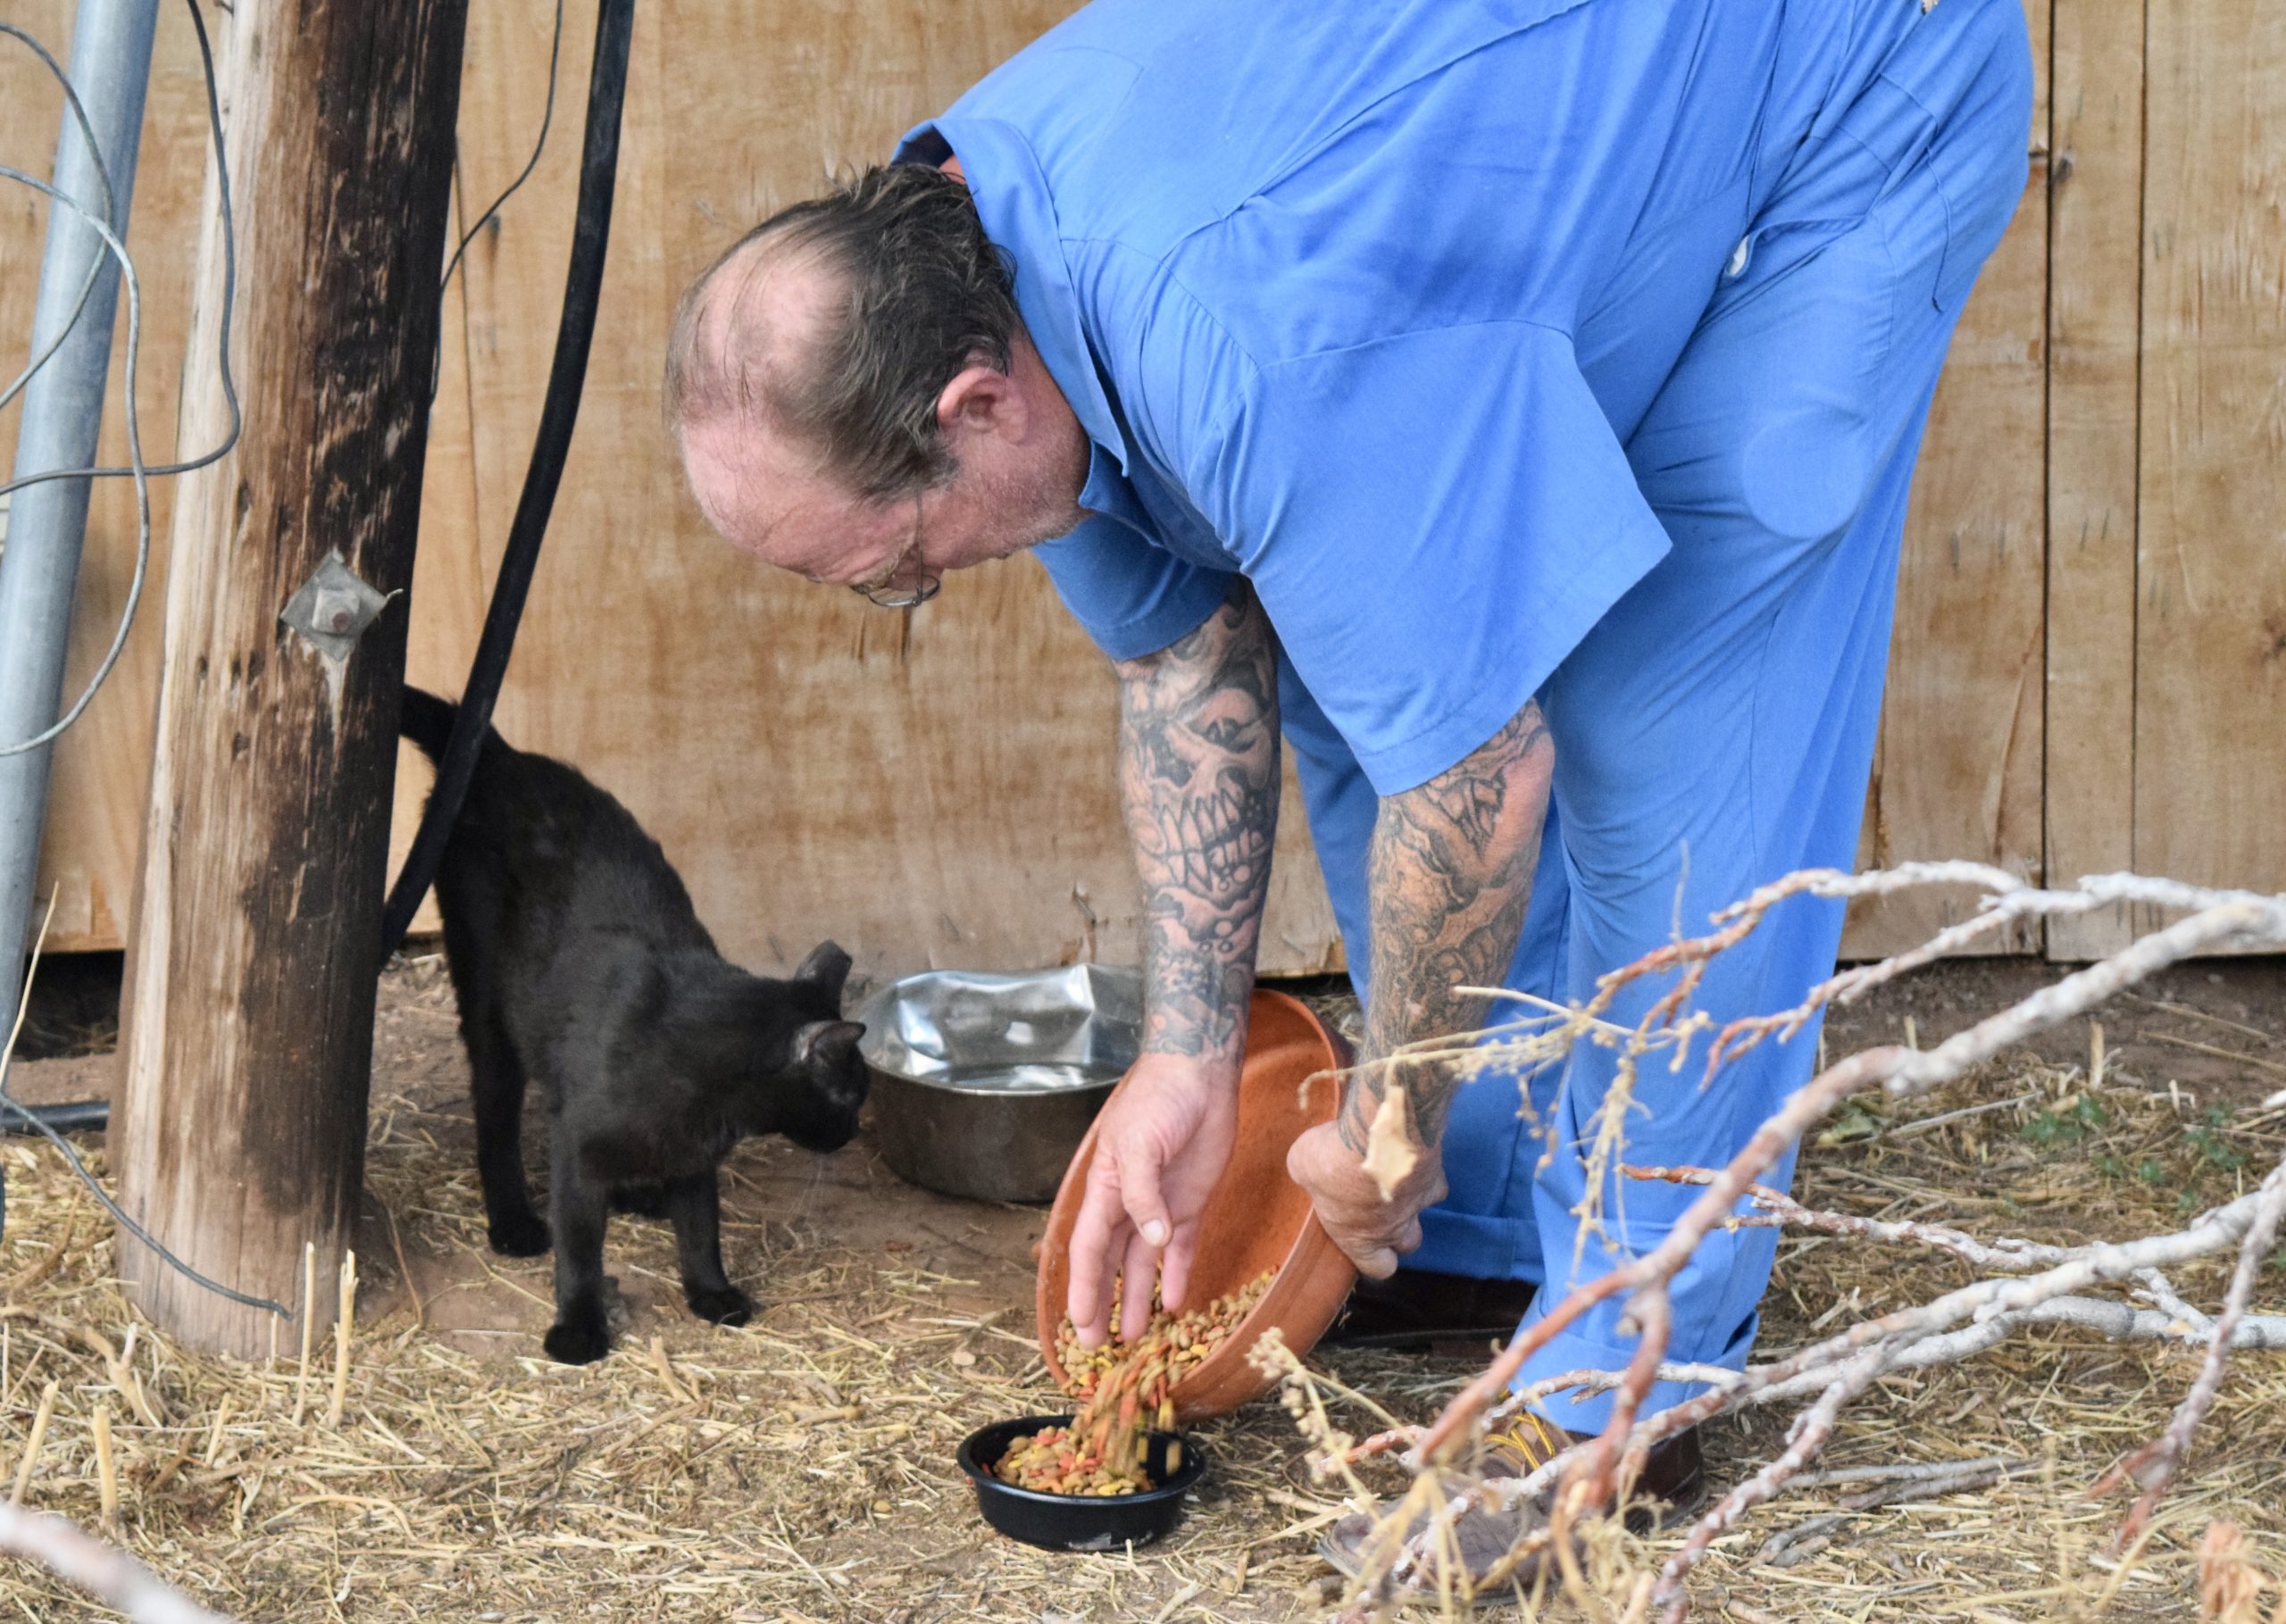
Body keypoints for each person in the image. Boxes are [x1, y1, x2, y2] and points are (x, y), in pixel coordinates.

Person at [665, 0, 2032, 1578]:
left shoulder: (1241, 338)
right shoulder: (979, 258)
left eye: (899, 570)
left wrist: (1388, 1115)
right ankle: (1494, 1214)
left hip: (1847, 77)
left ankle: (1620, 1378)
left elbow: (1476, 772)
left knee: (1663, 708)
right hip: (1473, 171)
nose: (917, 587)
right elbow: (1195, 670)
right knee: (1351, 653)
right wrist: (1182, 1057)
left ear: (972, 409)